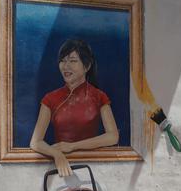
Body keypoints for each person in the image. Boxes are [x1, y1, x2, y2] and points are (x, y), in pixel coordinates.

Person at [30, 38, 118, 177]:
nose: (66, 66)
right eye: (63, 60)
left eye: (72, 61)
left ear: (87, 66)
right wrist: (56, 154)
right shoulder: (50, 98)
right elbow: (35, 142)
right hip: (59, 169)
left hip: (93, 168)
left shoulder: (99, 96)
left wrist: (72, 146)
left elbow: (113, 137)